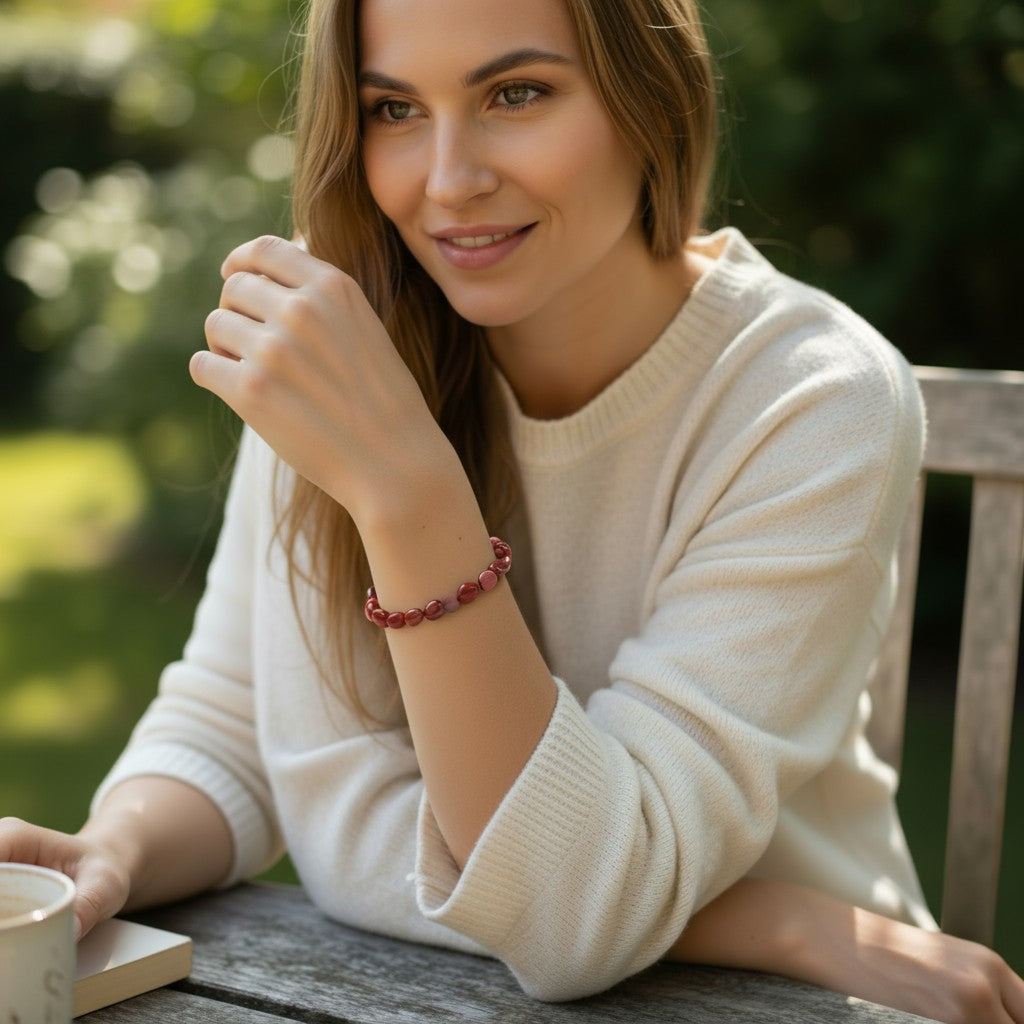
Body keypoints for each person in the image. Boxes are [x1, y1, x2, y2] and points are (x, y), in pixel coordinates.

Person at [2, 0, 1022, 1020]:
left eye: (516, 93)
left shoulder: (813, 399)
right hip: (549, 982)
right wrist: (114, 848)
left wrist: (406, 488)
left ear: (649, 101)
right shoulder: (354, 343)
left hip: (800, 1004)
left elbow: (569, 908)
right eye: (394, 108)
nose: (448, 181)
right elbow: (238, 725)